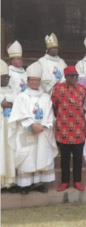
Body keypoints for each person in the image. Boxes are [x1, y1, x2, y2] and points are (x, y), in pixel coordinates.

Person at [8, 62, 58, 194]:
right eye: (32, 80)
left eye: (37, 80)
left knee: (40, 155)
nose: (35, 82)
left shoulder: (46, 97)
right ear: (28, 80)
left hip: (42, 132)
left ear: (40, 81)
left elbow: (49, 113)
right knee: (27, 157)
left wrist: (42, 126)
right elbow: (19, 113)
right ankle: (25, 185)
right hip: (27, 131)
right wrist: (31, 125)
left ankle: (38, 183)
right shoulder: (21, 97)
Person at [51, 65, 86, 192]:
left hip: (79, 130)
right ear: (66, 77)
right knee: (64, 159)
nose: (75, 78)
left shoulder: (82, 89)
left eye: (76, 76)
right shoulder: (58, 89)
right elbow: (54, 107)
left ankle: (77, 181)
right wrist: (62, 116)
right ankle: (65, 182)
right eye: (72, 76)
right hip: (63, 131)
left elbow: (85, 107)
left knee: (78, 158)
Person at [1, 59, 16, 191]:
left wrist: (11, 104)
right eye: (3, 77)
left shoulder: (13, 91)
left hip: (11, 128)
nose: (6, 79)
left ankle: (10, 182)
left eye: (7, 77)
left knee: (10, 153)